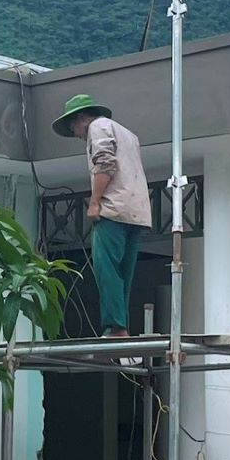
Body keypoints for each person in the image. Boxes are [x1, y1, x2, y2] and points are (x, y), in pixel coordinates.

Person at [52, 94, 151, 339]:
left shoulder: (98, 127)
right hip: (135, 211)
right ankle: (121, 326)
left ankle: (115, 326)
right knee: (123, 273)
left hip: (114, 208)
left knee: (106, 270)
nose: (75, 133)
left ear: (82, 118)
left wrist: (94, 202)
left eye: (73, 126)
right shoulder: (128, 134)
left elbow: (104, 164)